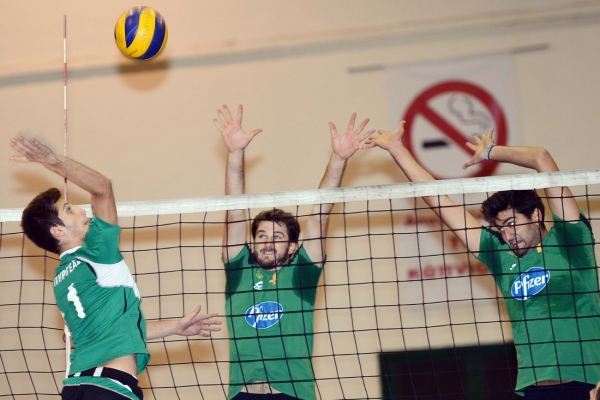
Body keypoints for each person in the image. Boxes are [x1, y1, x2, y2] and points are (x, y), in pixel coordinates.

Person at [367, 125, 600, 399]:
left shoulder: (571, 240)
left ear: (536, 215)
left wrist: (491, 151)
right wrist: (397, 149)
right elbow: (437, 200)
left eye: (512, 224)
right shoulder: (500, 256)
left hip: (586, 385)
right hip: (533, 390)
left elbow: (542, 158)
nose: (508, 235)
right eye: (501, 228)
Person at [10, 136, 222, 400]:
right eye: (70, 210)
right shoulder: (96, 252)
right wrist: (50, 160)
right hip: (110, 386)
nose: (82, 212)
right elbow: (103, 188)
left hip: (76, 387)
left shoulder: (61, 279)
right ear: (58, 231)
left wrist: (176, 327)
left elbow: (113, 332)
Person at [213, 105, 374, 400]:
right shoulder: (239, 271)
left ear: (293, 247)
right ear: (252, 243)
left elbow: (321, 213)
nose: (267, 242)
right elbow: (234, 211)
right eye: (261, 236)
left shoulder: (302, 274)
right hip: (243, 394)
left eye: (277, 237)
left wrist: (338, 159)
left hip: (292, 393)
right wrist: (235, 154)